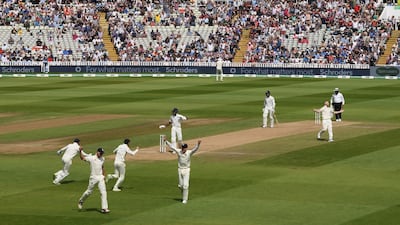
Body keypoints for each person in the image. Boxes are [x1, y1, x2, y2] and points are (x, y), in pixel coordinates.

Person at [164, 137, 201, 204]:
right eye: (182, 148)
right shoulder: (179, 151)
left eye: (184, 148)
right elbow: (172, 147)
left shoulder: (189, 153)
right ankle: (183, 191)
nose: (183, 149)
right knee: (181, 185)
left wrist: (198, 145)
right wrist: (166, 141)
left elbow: (194, 150)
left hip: (187, 170)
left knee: (185, 185)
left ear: (186, 148)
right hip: (180, 169)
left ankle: (185, 199)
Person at [78, 147, 110, 214]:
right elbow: (82, 158)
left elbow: (102, 167)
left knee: (103, 192)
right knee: (89, 192)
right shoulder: (91, 158)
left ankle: (104, 208)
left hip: (100, 177)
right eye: (100, 153)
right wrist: (80, 151)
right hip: (93, 178)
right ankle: (81, 200)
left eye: (102, 153)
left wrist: (104, 175)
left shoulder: (102, 158)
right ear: (97, 152)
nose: (101, 154)